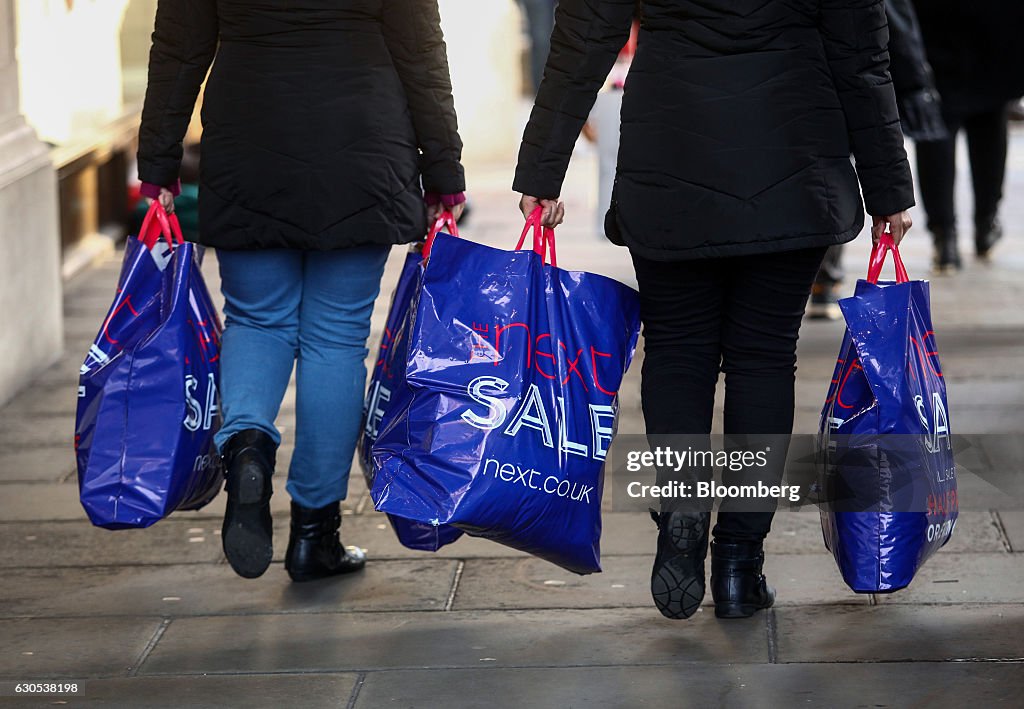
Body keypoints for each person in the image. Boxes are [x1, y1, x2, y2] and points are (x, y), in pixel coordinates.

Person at [514, 0, 914, 620]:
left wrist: (542, 168)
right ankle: (738, 562)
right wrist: (889, 187)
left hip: (671, 148)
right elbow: (863, 55)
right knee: (763, 360)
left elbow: (585, 34)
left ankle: (681, 503)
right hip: (794, 150)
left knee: (677, 349)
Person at [136, 0, 465, 582]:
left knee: (256, 321)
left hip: (248, 143)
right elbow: (421, 53)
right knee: (336, 339)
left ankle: (246, 452)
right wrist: (443, 172)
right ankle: (315, 536)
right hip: (363, 144)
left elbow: (178, 47)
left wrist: (158, 162)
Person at [809, 0, 945, 318]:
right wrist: (890, 196)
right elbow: (866, 66)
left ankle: (823, 281)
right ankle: (824, 281)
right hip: (817, 112)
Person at [912, 0, 1024, 271]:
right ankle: (985, 223)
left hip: (935, 29)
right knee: (989, 121)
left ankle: (944, 236)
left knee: (936, 128)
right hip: (992, 31)